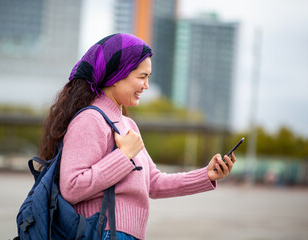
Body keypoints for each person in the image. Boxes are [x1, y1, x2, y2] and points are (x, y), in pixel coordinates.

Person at [38, 33, 236, 240]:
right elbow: (72, 186)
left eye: (148, 77)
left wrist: (207, 175)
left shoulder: (127, 124)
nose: (146, 86)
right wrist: (123, 156)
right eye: (142, 77)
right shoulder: (90, 119)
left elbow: (154, 182)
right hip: (101, 231)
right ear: (116, 75)